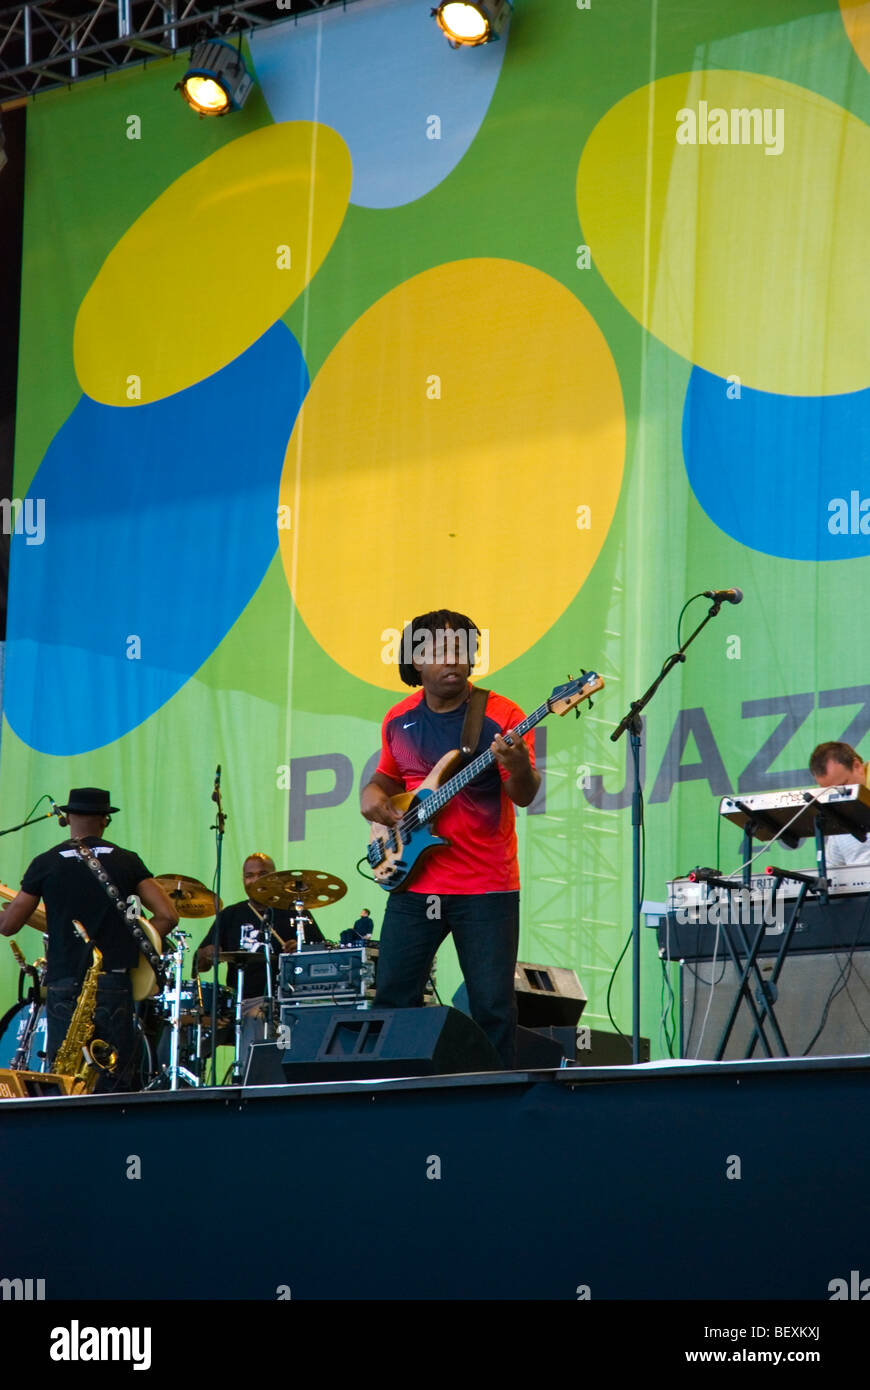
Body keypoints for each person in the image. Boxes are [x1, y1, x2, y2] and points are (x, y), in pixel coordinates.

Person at [360, 609, 539, 1068]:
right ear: (415, 660)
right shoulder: (398, 718)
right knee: (393, 1002)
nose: (454, 659)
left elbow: (523, 794)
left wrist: (516, 763)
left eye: (463, 649)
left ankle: (497, 1111)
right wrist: (372, 800)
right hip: (413, 881)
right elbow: (384, 779)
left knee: (493, 1009)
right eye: (440, 650)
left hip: (486, 886)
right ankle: (391, 1100)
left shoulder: (502, 715)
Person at [0, 787, 178, 1091]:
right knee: (116, 1074)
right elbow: (168, 915)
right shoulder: (126, 861)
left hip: (65, 980)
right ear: (105, 820)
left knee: (65, 1074)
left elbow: (9, 926)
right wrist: (129, 945)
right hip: (113, 981)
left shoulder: (46, 863)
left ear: (68, 818)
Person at [196, 853, 324, 1063]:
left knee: (257, 1016)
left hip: (279, 1001)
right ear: (243, 880)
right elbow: (200, 966)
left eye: (263, 874)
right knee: (186, 1021)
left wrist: (301, 950)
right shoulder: (230, 915)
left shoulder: (295, 913)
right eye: (249, 876)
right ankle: (179, 1082)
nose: (255, 881)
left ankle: (250, 1084)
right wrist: (206, 954)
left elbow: (320, 957)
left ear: (274, 877)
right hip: (233, 1002)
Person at [809, 741, 870, 866]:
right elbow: (833, 866)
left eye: (842, 786)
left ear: (857, 766)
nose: (838, 796)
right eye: (830, 792)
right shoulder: (840, 809)